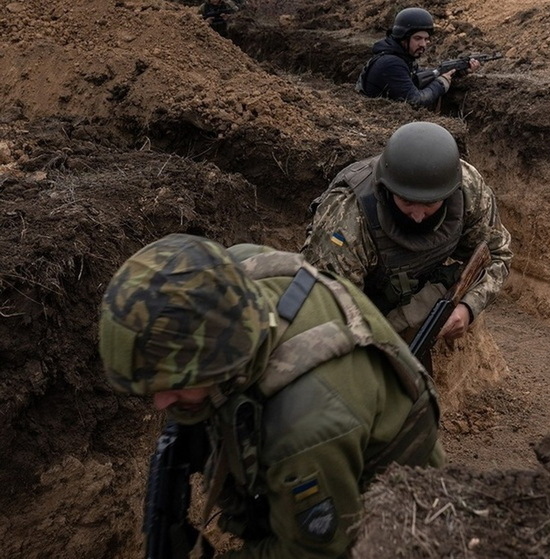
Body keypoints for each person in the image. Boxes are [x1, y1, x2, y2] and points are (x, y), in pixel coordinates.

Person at [98, 234, 444, 558]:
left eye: (174, 384)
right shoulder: (235, 276)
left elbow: (315, 552)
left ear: (225, 364)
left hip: (403, 509)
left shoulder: (303, 430)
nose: (160, 402)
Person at [301, 121, 512, 348]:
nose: (418, 216)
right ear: (387, 188)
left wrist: (468, 307)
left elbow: (497, 255)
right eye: (407, 201)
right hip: (358, 309)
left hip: (415, 290)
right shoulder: (347, 219)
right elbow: (325, 316)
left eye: (430, 204)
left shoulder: (468, 187)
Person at [355, 7, 481, 109]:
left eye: (426, 39)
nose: (423, 44)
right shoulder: (391, 63)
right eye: (418, 38)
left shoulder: (401, 57)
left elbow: (417, 78)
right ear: (403, 38)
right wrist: (441, 83)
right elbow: (416, 101)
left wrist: (457, 72)